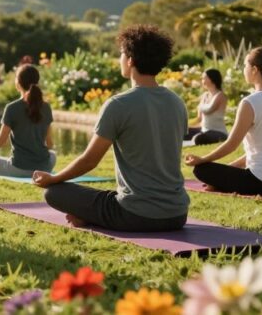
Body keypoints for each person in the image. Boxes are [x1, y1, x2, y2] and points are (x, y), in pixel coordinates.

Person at [33, 25, 189, 232]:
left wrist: (54, 179)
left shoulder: (118, 104)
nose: (120, 59)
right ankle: (90, 216)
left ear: (131, 60)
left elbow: (89, 161)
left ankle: (90, 217)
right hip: (177, 215)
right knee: (107, 196)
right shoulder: (177, 102)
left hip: (136, 215)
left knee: (54, 193)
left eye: (122, 54)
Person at [185, 47, 262, 196]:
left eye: (245, 66)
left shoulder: (250, 102)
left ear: (254, 70)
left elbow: (231, 144)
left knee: (201, 169)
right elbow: (261, 150)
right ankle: (221, 183)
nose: (244, 69)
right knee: (216, 172)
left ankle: (220, 184)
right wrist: (227, 170)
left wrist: (202, 159)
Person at [0, 64, 56, 177]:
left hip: (20, 169)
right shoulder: (46, 107)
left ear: (19, 83)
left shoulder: (12, 108)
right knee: (53, 155)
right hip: (44, 168)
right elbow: (49, 143)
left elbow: (1, 141)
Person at [185, 69, 228, 145]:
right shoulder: (205, 96)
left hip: (219, 132)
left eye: (204, 78)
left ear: (212, 79)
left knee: (197, 138)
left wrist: (200, 106)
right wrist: (186, 126)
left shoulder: (220, 96)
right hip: (203, 130)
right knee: (183, 132)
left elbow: (209, 110)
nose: (202, 81)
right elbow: (199, 119)